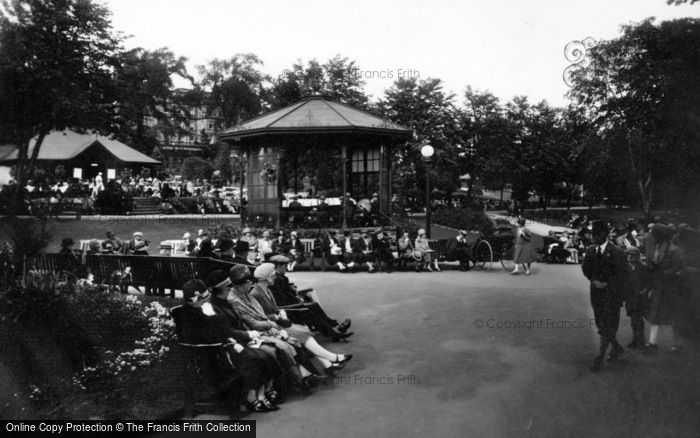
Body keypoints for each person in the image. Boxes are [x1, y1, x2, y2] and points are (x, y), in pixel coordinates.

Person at [228, 265, 353, 376]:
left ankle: (329, 363)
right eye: (272, 274)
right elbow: (257, 319)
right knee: (302, 334)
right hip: (265, 329)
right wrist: (276, 319)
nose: (250, 283)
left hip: (273, 323)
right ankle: (332, 360)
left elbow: (265, 313)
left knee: (303, 332)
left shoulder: (251, 293)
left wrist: (279, 315)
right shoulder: (251, 294)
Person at [179, 277, 281, 413]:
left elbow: (222, 329)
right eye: (200, 301)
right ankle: (252, 398)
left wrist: (228, 339)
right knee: (252, 357)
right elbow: (207, 335)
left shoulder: (206, 308)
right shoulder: (188, 313)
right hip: (211, 353)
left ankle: (259, 395)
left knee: (260, 354)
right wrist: (227, 341)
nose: (203, 303)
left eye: (204, 300)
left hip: (221, 345)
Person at [224, 267, 322, 394]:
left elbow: (261, 314)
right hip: (254, 332)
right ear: (241, 283)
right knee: (284, 346)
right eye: (249, 281)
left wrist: (273, 321)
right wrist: (271, 324)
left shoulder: (245, 293)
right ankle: (300, 380)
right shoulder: (235, 300)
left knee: (292, 342)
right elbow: (252, 323)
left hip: (264, 328)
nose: (251, 284)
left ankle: (307, 375)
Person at [253, 260, 352, 342]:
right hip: (284, 311)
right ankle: (334, 331)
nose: (275, 276)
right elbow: (280, 301)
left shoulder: (268, 288)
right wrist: (298, 302)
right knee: (308, 309)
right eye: (273, 274)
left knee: (312, 306)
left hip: (284, 309)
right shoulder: (261, 290)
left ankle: (334, 329)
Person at [582, 220, 629, 372]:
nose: (595, 237)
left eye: (598, 234)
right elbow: (586, 269)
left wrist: (607, 284)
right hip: (596, 294)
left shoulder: (617, 252)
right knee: (601, 324)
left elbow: (623, 275)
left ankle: (600, 358)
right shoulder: (590, 250)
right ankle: (616, 347)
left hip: (611, 295)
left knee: (607, 324)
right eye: (593, 234)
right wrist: (593, 280)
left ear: (605, 234)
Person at [645, 224, 688, 353]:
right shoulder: (661, 247)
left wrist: (663, 273)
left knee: (673, 317)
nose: (652, 236)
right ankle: (652, 343)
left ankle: (677, 344)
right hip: (660, 287)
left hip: (670, 288)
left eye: (655, 233)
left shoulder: (673, 250)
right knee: (656, 316)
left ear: (661, 235)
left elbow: (678, 268)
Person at [624, 246, 648, 348]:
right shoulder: (625, 268)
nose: (630, 257)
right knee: (633, 320)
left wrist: (645, 290)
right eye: (628, 255)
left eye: (632, 255)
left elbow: (648, 281)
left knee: (638, 319)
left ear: (638, 256)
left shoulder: (643, 268)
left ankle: (641, 341)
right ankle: (635, 340)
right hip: (630, 297)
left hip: (640, 297)